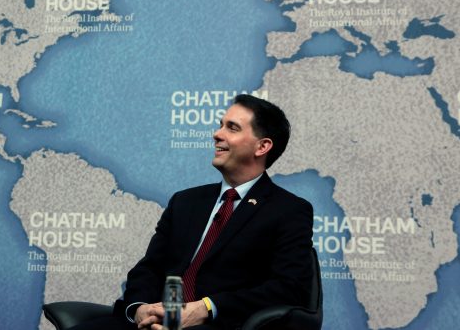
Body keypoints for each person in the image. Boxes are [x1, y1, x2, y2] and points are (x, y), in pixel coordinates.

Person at [69, 94, 313, 330]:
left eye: (232, 128)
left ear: (262, 146)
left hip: (218, 324)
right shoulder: (185, 202)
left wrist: (206, 308)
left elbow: (289, 288)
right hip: (153, 321)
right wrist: (139, 308)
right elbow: (149, 269)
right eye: (220, 125)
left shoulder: (288, 210)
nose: (217, 134)